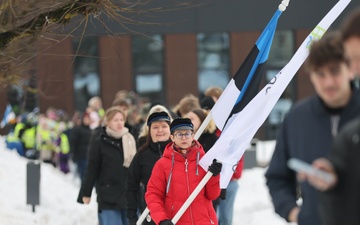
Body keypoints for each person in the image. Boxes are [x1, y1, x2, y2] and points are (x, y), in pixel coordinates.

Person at [264, 31, 360, 225]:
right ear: (311, 76)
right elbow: (277, 176)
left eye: (335, 71)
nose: (328, 82)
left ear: (350, 70)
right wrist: (294, 213)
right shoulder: (297, 119)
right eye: (320, 74)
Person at [295, 8, 360, 225]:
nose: (357, 68)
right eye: (353, 60)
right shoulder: (297, 118)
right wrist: (334, 180)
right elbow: (276, 177)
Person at [145, 118, 222, 225]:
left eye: (187, 133)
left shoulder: (205, 160)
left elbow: (213, 195)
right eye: (179, 134)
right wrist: (161, 219)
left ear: (193, 135)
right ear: (172, 137)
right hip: (176, 221)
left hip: (204, 221)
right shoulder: (162, 164)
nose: (184, 138)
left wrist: (214, 175)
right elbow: (153, 195)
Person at [81, 107, 137, 225]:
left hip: (128, 195)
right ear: (108, 122)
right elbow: (92, 169)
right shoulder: (99, 141)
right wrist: (86, 193)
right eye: (115, 120)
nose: (119, 123)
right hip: (108, 196)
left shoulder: (129, 139)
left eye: (121, 120)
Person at [126, 111, 172, 225]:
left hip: (177, 212)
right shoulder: (142, 155)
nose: (160, 130)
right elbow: (131, 185)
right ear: (149, 131)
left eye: (164, 126)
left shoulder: (179, 152)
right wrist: (132, 215)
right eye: (155, 127)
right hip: (151, 213)